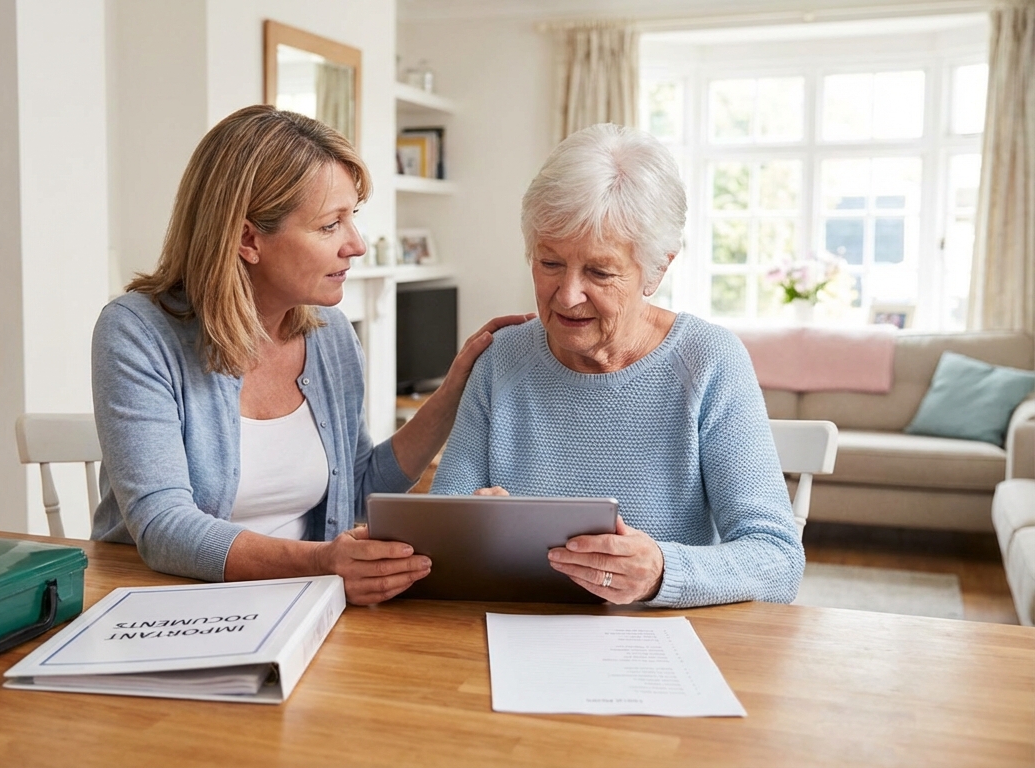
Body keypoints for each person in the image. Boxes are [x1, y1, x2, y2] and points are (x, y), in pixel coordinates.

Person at [90, 104, 529, 606]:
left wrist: (453, 392)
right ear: (247, 239)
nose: (357, 245)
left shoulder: (331, 335)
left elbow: (360, 483)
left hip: (304, 604)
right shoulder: (137, 333)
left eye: (352, 219)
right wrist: (322, 562)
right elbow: (163, 525)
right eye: (330, 226)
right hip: (161, 603)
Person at [429, 123, 804, 608]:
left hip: (660, 645)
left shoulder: (710, 361)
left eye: (599, 272)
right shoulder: (501, 359)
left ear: (657, 269)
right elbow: (438, 538)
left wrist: (662, 572)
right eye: (549, 263)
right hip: (517, 630)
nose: (567, 295)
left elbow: (777, 560)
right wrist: (471, 532)